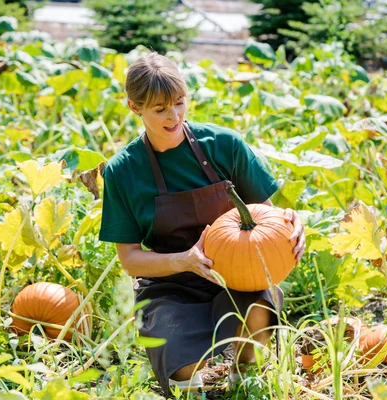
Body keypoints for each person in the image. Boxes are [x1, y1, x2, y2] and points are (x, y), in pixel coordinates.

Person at [98, 52, 306, 393]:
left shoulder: (225, 146)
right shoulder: (124, 171)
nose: (174, 116)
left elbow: (268, 215)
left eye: (180, 103)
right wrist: (185, 261)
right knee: (179, 352)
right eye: (160, 109)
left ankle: (244, 376)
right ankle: (190, 387)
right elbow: (130, 259)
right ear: (135, 108)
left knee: (257, 312)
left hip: (238, 274)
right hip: (170, 282)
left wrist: (293, 227)